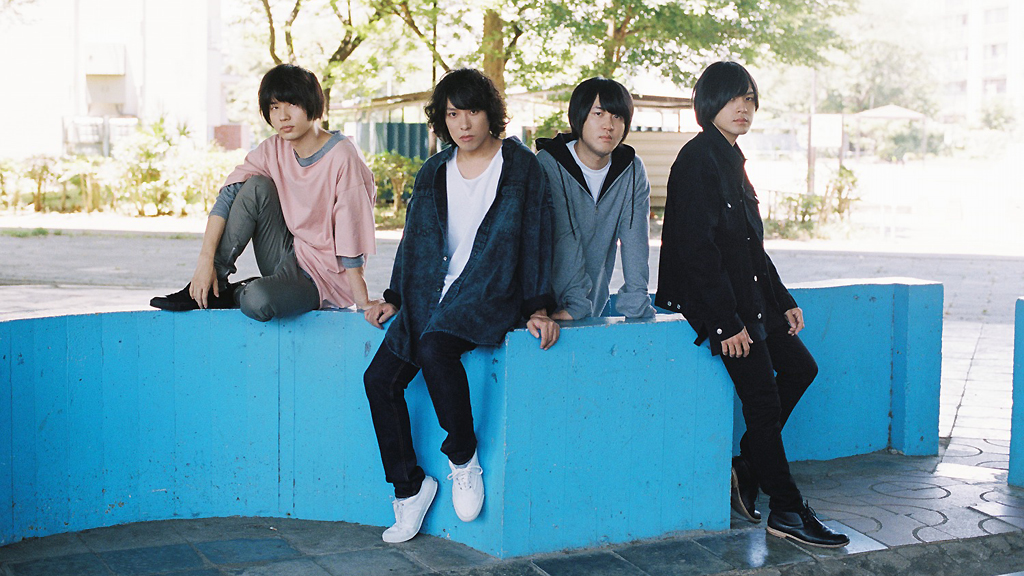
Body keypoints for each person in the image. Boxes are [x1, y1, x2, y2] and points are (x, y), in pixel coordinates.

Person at [655, 61, 849, 548]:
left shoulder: (732, 159)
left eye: (749, 99)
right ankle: (787, 509)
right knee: (762, 404)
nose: (743, 107)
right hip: (726, 310)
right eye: (732, 97)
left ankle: (745, 465)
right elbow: (696, 251)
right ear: (708, 103)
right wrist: (725, 323)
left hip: (754, 302)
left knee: (801, 369)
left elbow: (750, 246)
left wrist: (782, 299)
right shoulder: (697, 159)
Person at [361, 68, 560, 544]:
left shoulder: (520, 166)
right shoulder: (434, 170)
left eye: (473, 111)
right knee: (379, 380)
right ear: (442, 120)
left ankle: (463, 457)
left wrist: (538, 307)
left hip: (487, 291)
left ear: (491, 113)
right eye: (452, 114)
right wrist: (395, 297)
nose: (464, 123)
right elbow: (413, 240)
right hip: (428, 291)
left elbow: (537, 236)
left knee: (435, 348)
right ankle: (410, 488)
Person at [150, 63, 377, 321]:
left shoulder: (343, 156)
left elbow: (351, 231)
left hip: (326, 280)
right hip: (289, 254)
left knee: (257, 300)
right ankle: (213, 285)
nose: (283, 116)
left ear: (312, 104)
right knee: (256, 186)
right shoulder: (273, 149)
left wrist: (363, 301)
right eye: (274, 107)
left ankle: (241, 292)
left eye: (292, 104)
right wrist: (206, 261)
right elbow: (228, 195)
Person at [535, 78, 655, 321]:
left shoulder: (631, 170)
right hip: (543, 309)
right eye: (598, 114)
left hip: (591, 309)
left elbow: (635, 239)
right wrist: (575, 305)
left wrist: (637, 305)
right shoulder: (548, 164)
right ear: (579, 117)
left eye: (617, 116)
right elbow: (565, 236)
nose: (608, 125)